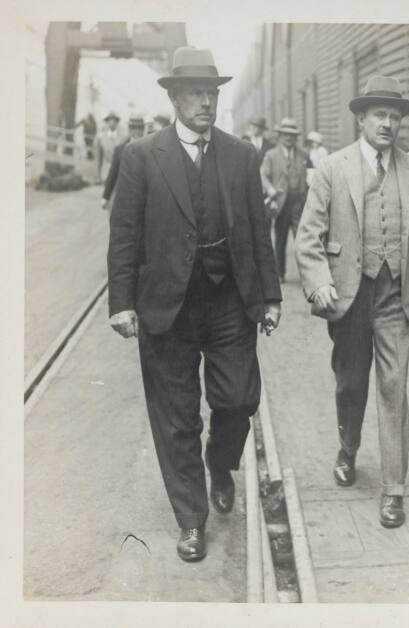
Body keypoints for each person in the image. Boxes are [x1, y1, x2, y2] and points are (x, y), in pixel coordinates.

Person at [107, 46, 282, 561]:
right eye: (196, 94)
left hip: (229, 298)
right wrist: (122, 302)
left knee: (238, 399)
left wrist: (270, 294)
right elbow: (124, 236)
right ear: (175, 98)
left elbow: (257, 231)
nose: (206, 102)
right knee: (176, 416)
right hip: (167, 306)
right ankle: (191, 518)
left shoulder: (241, 155)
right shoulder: (142, 157)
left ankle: (220, 461)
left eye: (212, 93)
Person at [295, 75, 409, 529]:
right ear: (361, 118)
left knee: (394, 389)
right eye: (380, 115)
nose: (388, 124)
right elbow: (308, 236)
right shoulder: (333, 169)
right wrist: (317, 282)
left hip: (396, 296)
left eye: (395, 117)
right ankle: (348, 446)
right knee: (350, 384)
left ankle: (394, 489)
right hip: (350, 297)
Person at [261, 117, 309, 283]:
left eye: (292, 135)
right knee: (280, 241)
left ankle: (307, 275)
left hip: (298, 204)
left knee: (302, 241)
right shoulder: (271, 155)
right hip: (280, 204)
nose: (289, 138)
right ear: (280, 136)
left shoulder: (303, 154)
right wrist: (271, 190)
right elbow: (262, 175)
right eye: (286, 134)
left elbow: (312, 173)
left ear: (296, 137)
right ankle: (280, 274)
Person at [101, 113, 146, 210]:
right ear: (130, 129)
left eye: (140, 128)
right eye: (134, 128)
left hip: (143, 196)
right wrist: (105, 196)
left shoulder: (150, 148)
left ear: (143, 129)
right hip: (123, 195)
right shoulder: (120, 149)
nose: (137, 131)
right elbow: (113, 173)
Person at [94, 111, 124, 184]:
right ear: (107, 122)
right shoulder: (101, 138)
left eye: (114, 121)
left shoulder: (122, 137)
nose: (112, 123)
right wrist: (98, 175)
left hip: (119, 172)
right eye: (109, 120)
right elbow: (98, 158)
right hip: (106, 171)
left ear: (117, 122)